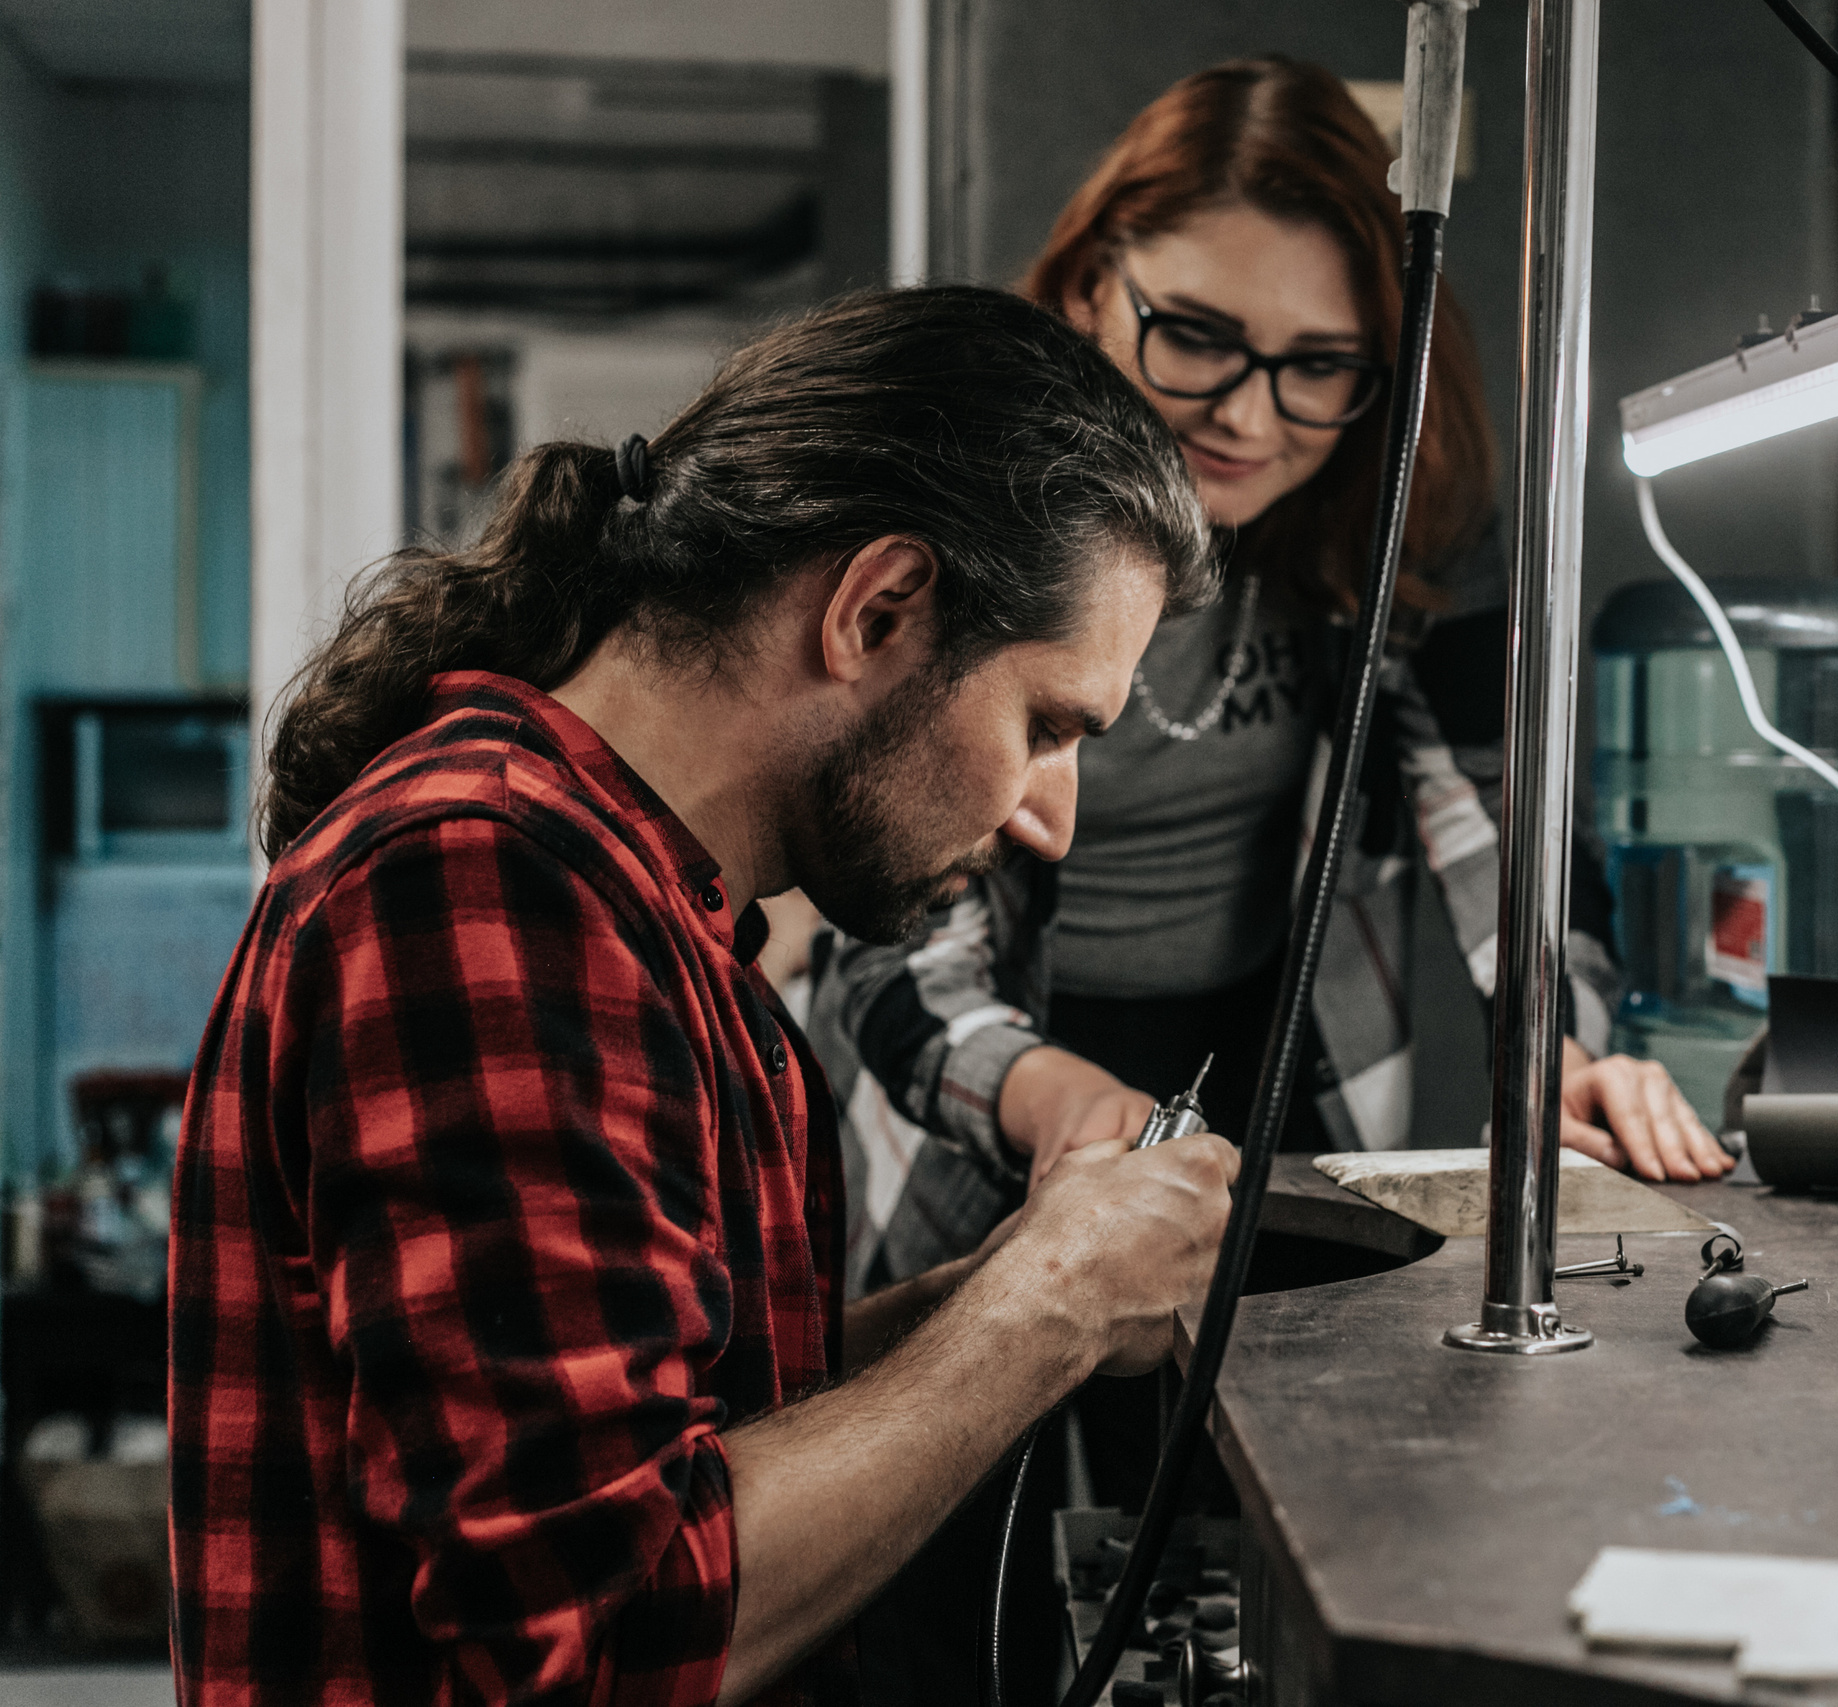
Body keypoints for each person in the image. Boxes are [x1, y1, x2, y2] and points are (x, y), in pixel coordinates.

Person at [166, 287, 1238, 1707]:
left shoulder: (635, 902)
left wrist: (992, 1291)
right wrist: (1048, 1307)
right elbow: (600, 1633)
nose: (1054, 816)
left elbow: (677, 1408)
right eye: (1045, 723)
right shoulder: (485, 879)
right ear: (882, 605)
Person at [801, 57, 1731, 1306]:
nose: (1245, 414)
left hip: (1267, 1073)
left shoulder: (1397, 520)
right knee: (952, 1415)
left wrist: (1557, 1049)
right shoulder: (965, 516)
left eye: (1319, 364)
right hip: (983, 1080)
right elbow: (892, 947)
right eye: (1196, 336)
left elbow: (1501, 825)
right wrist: (1049, 1098)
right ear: (1087, 287)